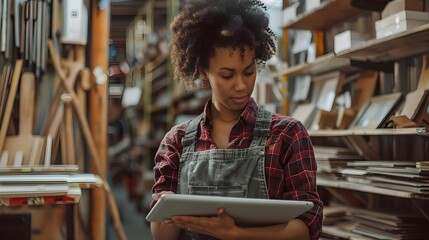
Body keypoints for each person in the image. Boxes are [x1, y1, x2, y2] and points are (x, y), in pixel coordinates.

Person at [150, 0, 323, 239]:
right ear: (203, 72)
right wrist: (166, 206)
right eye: (227, 74)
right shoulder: (177, 142)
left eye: (249, 72)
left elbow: (307, 227)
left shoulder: (287, 134)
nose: (241, 85)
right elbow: (161, 236)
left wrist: (236, 234)